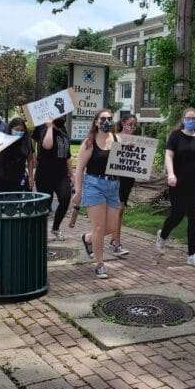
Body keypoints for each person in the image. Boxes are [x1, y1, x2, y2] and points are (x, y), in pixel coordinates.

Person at [73, 109, 121, 279]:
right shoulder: (89, 142)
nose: (107, 121)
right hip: (94, 185)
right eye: (103, 119)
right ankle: (100, 264)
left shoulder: (117, 139)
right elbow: (79, 170)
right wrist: (78, 190)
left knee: (112, 227)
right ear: (96, 122)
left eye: (109, 118)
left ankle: (87, 238)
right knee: (99, 227)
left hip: (113, 186)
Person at [156, 107, 195, 268]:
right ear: (183, 119)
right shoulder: (176, 136)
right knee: (177, 214)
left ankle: (192, 255)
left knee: (194, 218)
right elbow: (169, 155)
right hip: (177, 182)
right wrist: (171, 173)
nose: (191, 121)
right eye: (188, 118)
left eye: (194, 118)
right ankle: (163, 235)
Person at [33, 116, 73, 241]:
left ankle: (55, 228)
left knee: (66, 198)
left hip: (61, 174)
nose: (63, 117)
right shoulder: (43, 127)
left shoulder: (63, 130)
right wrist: (49, 127)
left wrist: (72, 174)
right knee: (45, 204)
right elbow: (47, 145)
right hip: (44, 174)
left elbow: (67, 155)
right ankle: (40, 232)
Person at [108, 115, 138, 257]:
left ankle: (114, 239)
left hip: (128, 178)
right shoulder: (114, 137)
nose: (131, 127)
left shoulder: (137, 141)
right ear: (123, 123)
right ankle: (116, 243)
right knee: (118, 210)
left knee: (120, 210)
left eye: (134, 125)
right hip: (115, 177)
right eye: (129, 124)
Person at [0, 117, 34, 192]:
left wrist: (31, 176)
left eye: (22, 130)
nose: (20, 132)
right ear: (11, 129)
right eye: (17, 129)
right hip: (2, 177)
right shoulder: (3, 139)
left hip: (19, 176)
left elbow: (30, 159)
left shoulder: (26, 141)